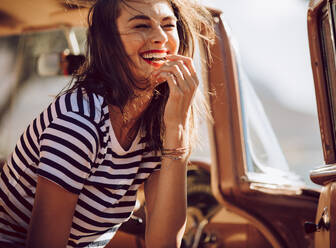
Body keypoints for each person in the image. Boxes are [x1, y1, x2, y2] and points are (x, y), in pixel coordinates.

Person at [0, 0, 215, 247]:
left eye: (168, 25)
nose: (160, 38)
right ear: (108, 41)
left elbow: (164, 243)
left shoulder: (158, 123)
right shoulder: (78, 123)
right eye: (141, 26)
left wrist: (177, 129)